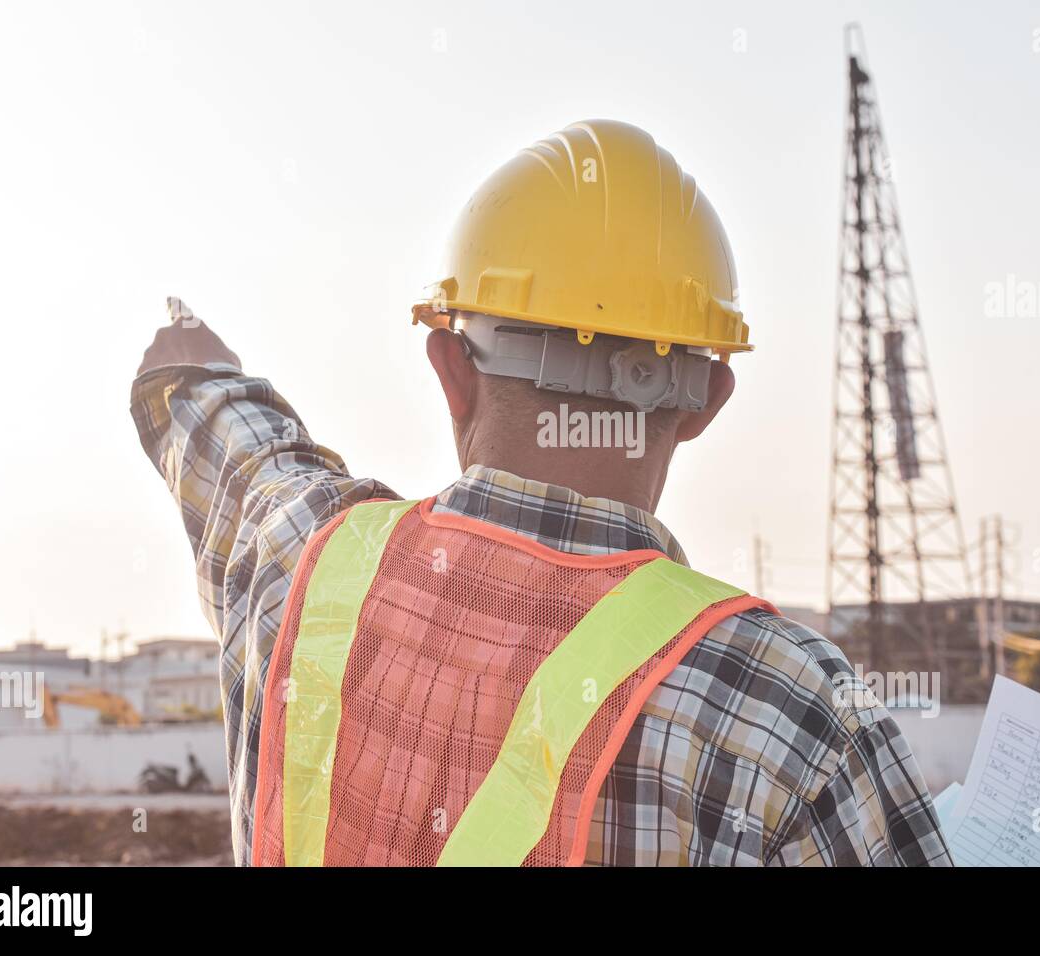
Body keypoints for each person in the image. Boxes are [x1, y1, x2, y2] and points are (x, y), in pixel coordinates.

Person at [132, 119, 949, 866]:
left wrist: (193, 366)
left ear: (452, 372)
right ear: (704, 403)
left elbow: (236, 448)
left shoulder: (298, 560)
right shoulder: (789, 716)